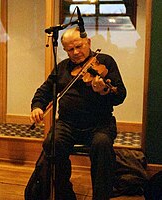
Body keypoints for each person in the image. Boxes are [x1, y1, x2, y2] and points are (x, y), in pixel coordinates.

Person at [30, 27, 127, 200]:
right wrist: (37, 106)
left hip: (100, 123)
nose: (75, 52)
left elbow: (120, 94)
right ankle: (64, 193)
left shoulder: (105, 62)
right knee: (53, 142)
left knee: (102, 144)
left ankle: (101, 196)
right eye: (70, 49)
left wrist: (104, 90)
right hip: (68, 123)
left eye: (79, 46)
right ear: (65, 50)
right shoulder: (62, 68)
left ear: (88, 42)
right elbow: (44, 91)